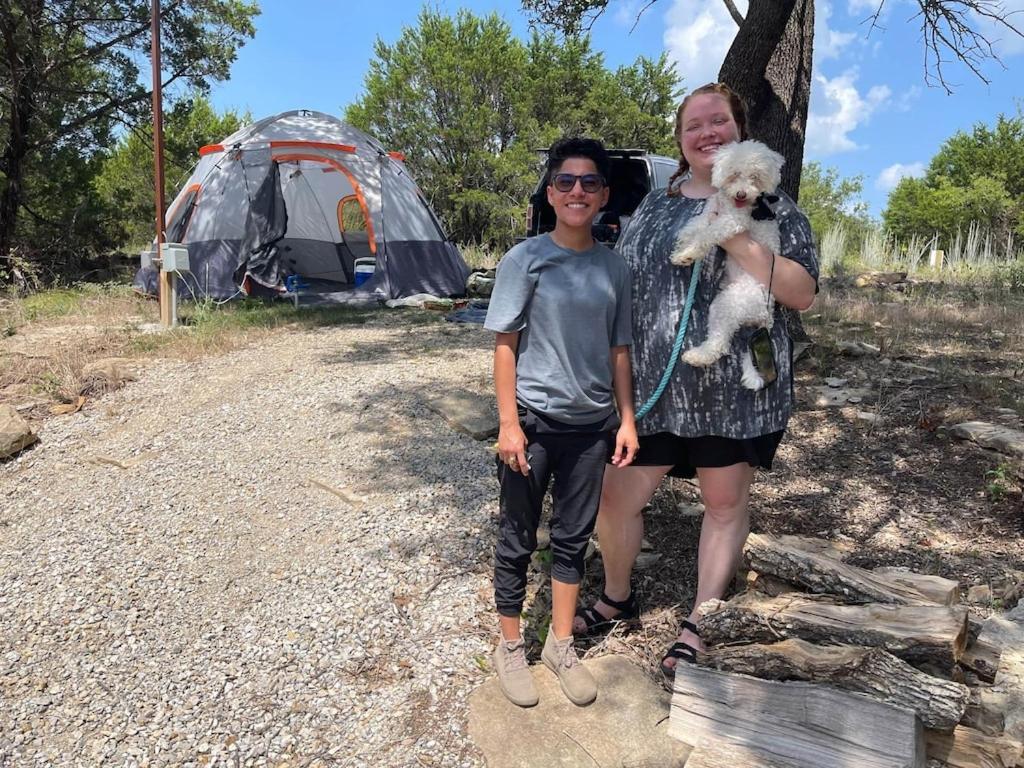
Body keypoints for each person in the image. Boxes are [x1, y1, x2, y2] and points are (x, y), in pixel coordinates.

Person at [571, 83, 819, 679]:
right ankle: (618, 595)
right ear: (680, 140)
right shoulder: (657, 204)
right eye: (693, 125)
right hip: (654, 391)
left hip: (729, 392)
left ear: (742, 130)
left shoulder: (773, 205)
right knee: (615, 495)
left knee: (724, 503)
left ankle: (703, 619)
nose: (707, 133)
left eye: (719, 122)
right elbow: (623, 281)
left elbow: (802, 294)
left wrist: (734, 233)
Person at [484, 137, 638, 707]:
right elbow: (505, 345)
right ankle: (509, 646)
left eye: (589, 183)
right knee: (518, 536)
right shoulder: (525, 259)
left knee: (573, 539)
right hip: (533, 422)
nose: (577, 191)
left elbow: (620, 347)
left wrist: (626, 420)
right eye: (566, 182)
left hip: (592, 427)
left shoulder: (614, 268)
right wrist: (508, 423)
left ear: (604, 197)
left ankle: (560, 643)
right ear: (551, 193)